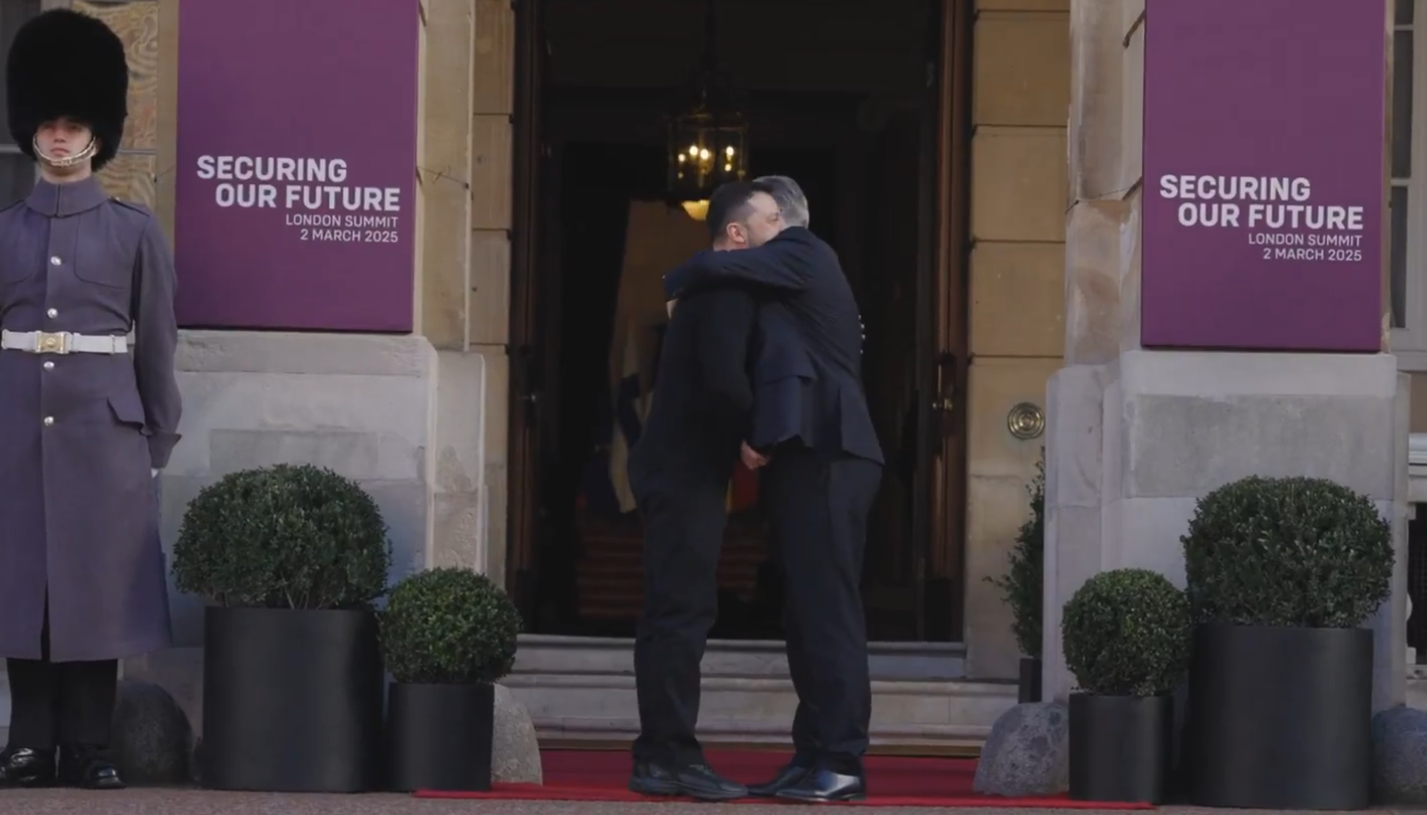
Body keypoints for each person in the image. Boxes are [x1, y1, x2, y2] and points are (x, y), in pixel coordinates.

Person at [0, 9, 182, 790]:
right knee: (23, 588)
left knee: (95, 593)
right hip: (14, 433)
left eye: (74, 124)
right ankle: (28, 742)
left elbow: (156, 345)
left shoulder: (133, 232)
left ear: (97, 133)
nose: (60, 136)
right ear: (31, 130)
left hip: (105, 438)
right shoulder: (5, 231)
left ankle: (88, 744)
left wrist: (155, 442)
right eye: (49, 124)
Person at [663, 175, 884, 803]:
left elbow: (712, 265)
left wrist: (676, 282)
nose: (745, 238)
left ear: (778, 221)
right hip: (804, 457)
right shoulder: (780, 282)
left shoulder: (802, 248)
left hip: (832, 454)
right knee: (804, 612)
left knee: (828, 610)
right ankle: (812, 753)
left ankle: (841, 760)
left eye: (753, 223)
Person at [626, 180, 781, 801]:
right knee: (681, 613)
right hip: (682, 470)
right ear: (737, 234)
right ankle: (668, 756)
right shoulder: (724, 286)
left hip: (680, 468)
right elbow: (722, 377)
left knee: (675, 610)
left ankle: (660, 753)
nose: (783, 231)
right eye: (773, 220)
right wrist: (754, 433)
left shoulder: (707, 283)